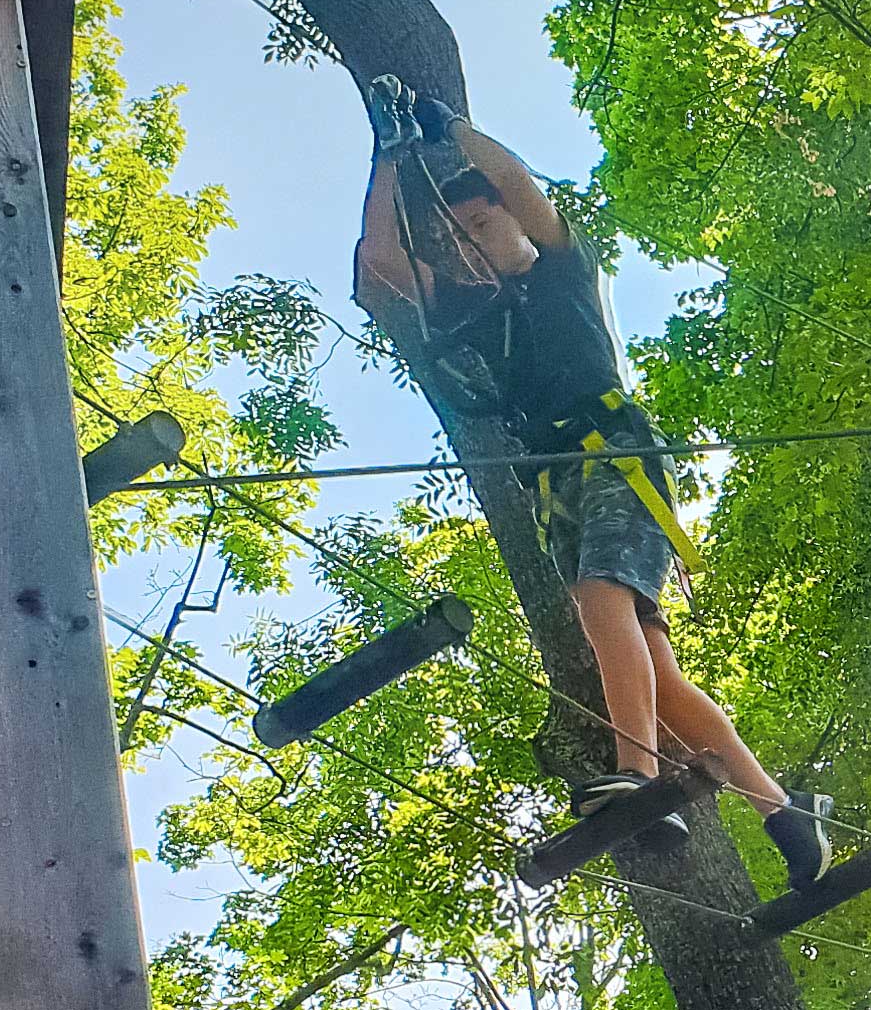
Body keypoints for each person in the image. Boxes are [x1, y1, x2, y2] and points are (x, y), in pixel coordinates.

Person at [349, 79, 828, 892]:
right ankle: (784, 812)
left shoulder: (562, 270)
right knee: (656, 673)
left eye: (482, 225)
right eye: (461, 240)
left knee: (604, 601)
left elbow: (516, 183)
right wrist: (389, 157)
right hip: (554, 482)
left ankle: (637, 775)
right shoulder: (471, 311)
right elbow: (378, 266)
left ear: (511, 223)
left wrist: (447, 126)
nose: (473, 245)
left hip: (614, 452)